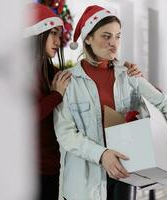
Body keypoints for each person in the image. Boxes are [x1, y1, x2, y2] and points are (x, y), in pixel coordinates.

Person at [54, 5, 167, 200]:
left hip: (126, 175)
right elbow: (65, 133)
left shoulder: (129, 76)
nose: (114, 43)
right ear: (88, 38)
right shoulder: (68, 81)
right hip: (83, 185)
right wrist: (102, 154)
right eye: (106, 36)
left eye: (118, 36)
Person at [24, 3, 143, 200]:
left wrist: (130, 72)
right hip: (29, 167)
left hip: (54, 166)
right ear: (37, 35)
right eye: (52, 34)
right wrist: (56, 96)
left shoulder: (55, 74)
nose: (57, 41)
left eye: (59, 35)